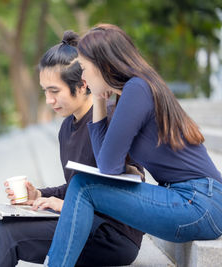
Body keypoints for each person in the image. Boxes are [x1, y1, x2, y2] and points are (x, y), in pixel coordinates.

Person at [0, 31, 144, 267]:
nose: (48, 100)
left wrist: (66, 205)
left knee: (9, 234)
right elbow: (77, 186)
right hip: (80, 219)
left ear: (82, 85)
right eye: (45, 91)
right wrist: (39, 195)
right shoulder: (67, 127)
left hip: (112, 235)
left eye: (54, 91)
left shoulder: (109, 122)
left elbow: (128, 188)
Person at [44, 23, 222, 267]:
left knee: (83, 187)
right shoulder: (131, 93)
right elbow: (109, 161)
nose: (83, 78)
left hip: (200, 203)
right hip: (188, 199)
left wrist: (96, 98)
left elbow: (106, 166)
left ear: (103, 65)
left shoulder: (137, 89)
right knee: (82, 185)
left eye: (84, 68)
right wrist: (98, 100)